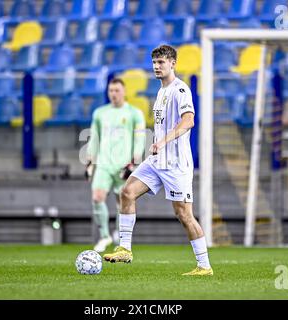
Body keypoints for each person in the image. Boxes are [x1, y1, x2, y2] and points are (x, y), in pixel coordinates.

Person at [103, 45, 213, 276]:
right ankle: (125, 248)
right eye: (154, 63)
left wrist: (162, 141)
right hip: (157, 160)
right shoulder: (161, 91)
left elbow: (189, 121)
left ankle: (204, 266)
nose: (156, 66)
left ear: (173, 63)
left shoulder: (180, 90)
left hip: (176, 164)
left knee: (184, 214)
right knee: (127, 192)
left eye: (161, 62)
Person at [86, 78, 146, 253]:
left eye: (117, 90)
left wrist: (133, 163)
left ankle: (121, 238)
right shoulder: (100, 113)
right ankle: (104, 236)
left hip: (123, 165)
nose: (113, 94)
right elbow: (94, 137)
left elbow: (140, 138)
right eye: (111, 90)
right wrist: (90, 162)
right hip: (104, 163)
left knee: (124, 203)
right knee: (97, 197)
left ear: (124, 91)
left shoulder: (134, 113)